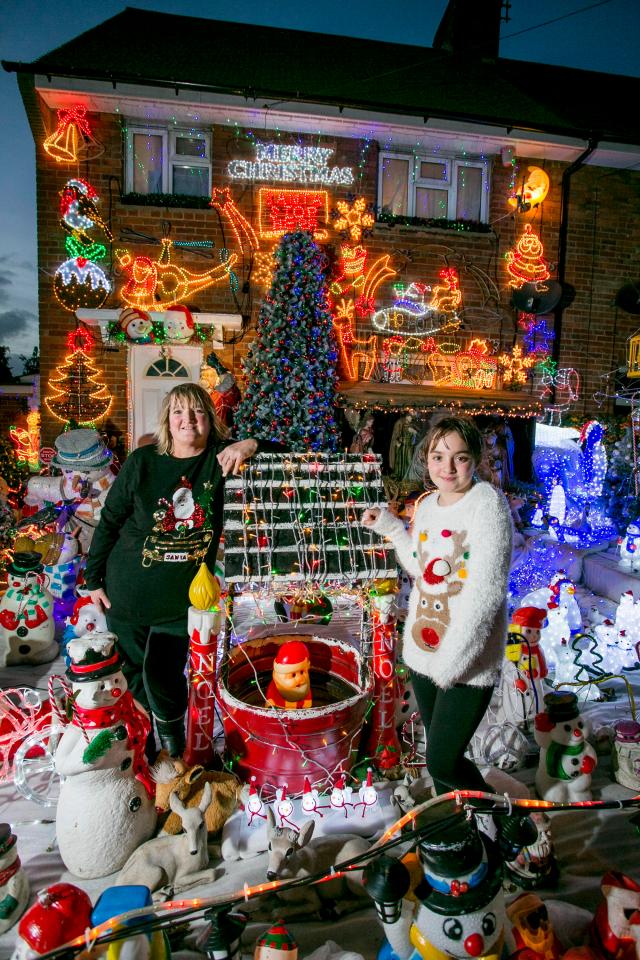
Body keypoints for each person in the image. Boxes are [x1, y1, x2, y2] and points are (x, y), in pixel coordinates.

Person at [84, 382, 263, 758]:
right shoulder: (143, 461)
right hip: (127, 589)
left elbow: (285, 455)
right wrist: (93, 578)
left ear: (208, 419)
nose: (188, 420)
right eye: (179, 411)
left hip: (180, 598)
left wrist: (250, 444)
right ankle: (143, 748)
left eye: (197, 411)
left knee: (163, 674)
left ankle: (174, 746)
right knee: (131, 674)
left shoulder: (220, 460)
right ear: (168, 418)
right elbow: (111, 520)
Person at [361, 414, 513, 795]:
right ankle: (462, 833)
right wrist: (392, 527)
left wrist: (452, 662)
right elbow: (421, 566)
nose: (447, 467)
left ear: (474, 459)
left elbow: (485, 593)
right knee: (442, 756)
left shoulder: (487, 505)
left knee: (442, 760)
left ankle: (504, 825)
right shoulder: (428, 506)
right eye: (438, 456)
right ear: (426, 459)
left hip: (465, 662)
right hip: (424, 651)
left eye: (459, 458)